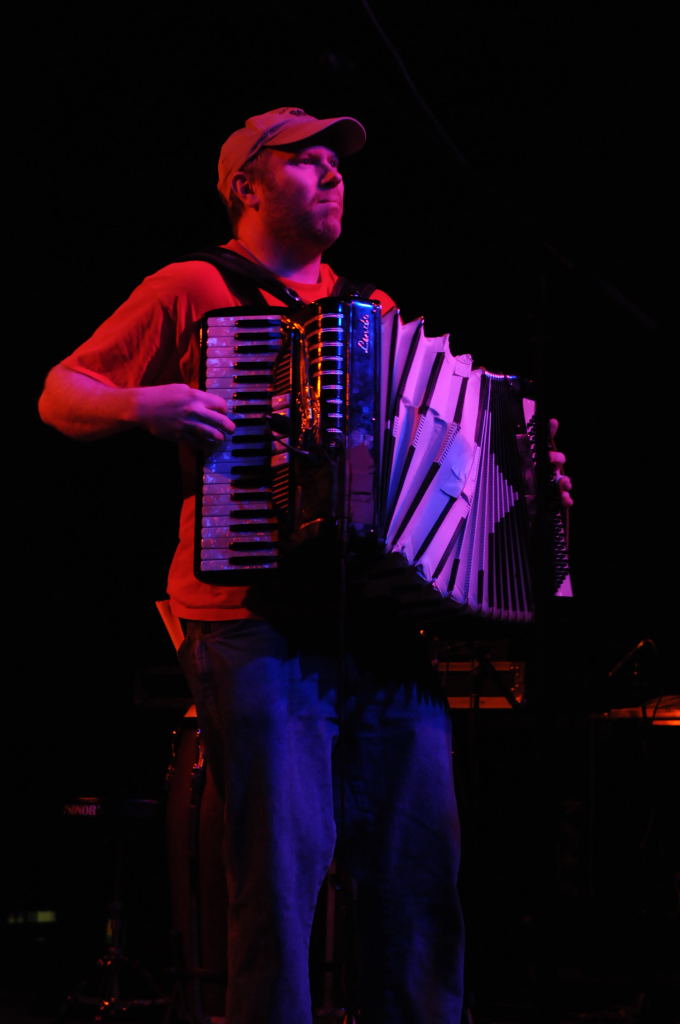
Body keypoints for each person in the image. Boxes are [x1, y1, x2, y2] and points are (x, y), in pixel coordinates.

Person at [38, 106, 572, 1023]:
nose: (334, 175)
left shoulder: (375, 312)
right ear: (246, 185)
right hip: (251, 619)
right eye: (308, 160)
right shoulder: (194, 285)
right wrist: (146, 405)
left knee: (419, 878)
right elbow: (61, 392)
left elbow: (432, 460)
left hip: (376, 626)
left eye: (338, 164)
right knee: (278, 885)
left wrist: (520, 485)